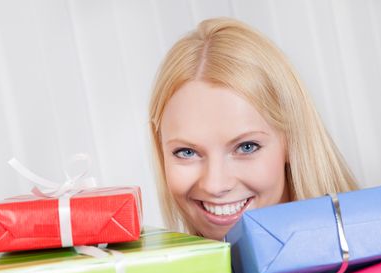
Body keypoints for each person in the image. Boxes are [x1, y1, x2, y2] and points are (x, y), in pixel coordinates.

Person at [149, 17, 357, 241]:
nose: (215, 185)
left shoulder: (378, 264)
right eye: (186, 152)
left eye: (246, 147)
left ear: (292, 140)